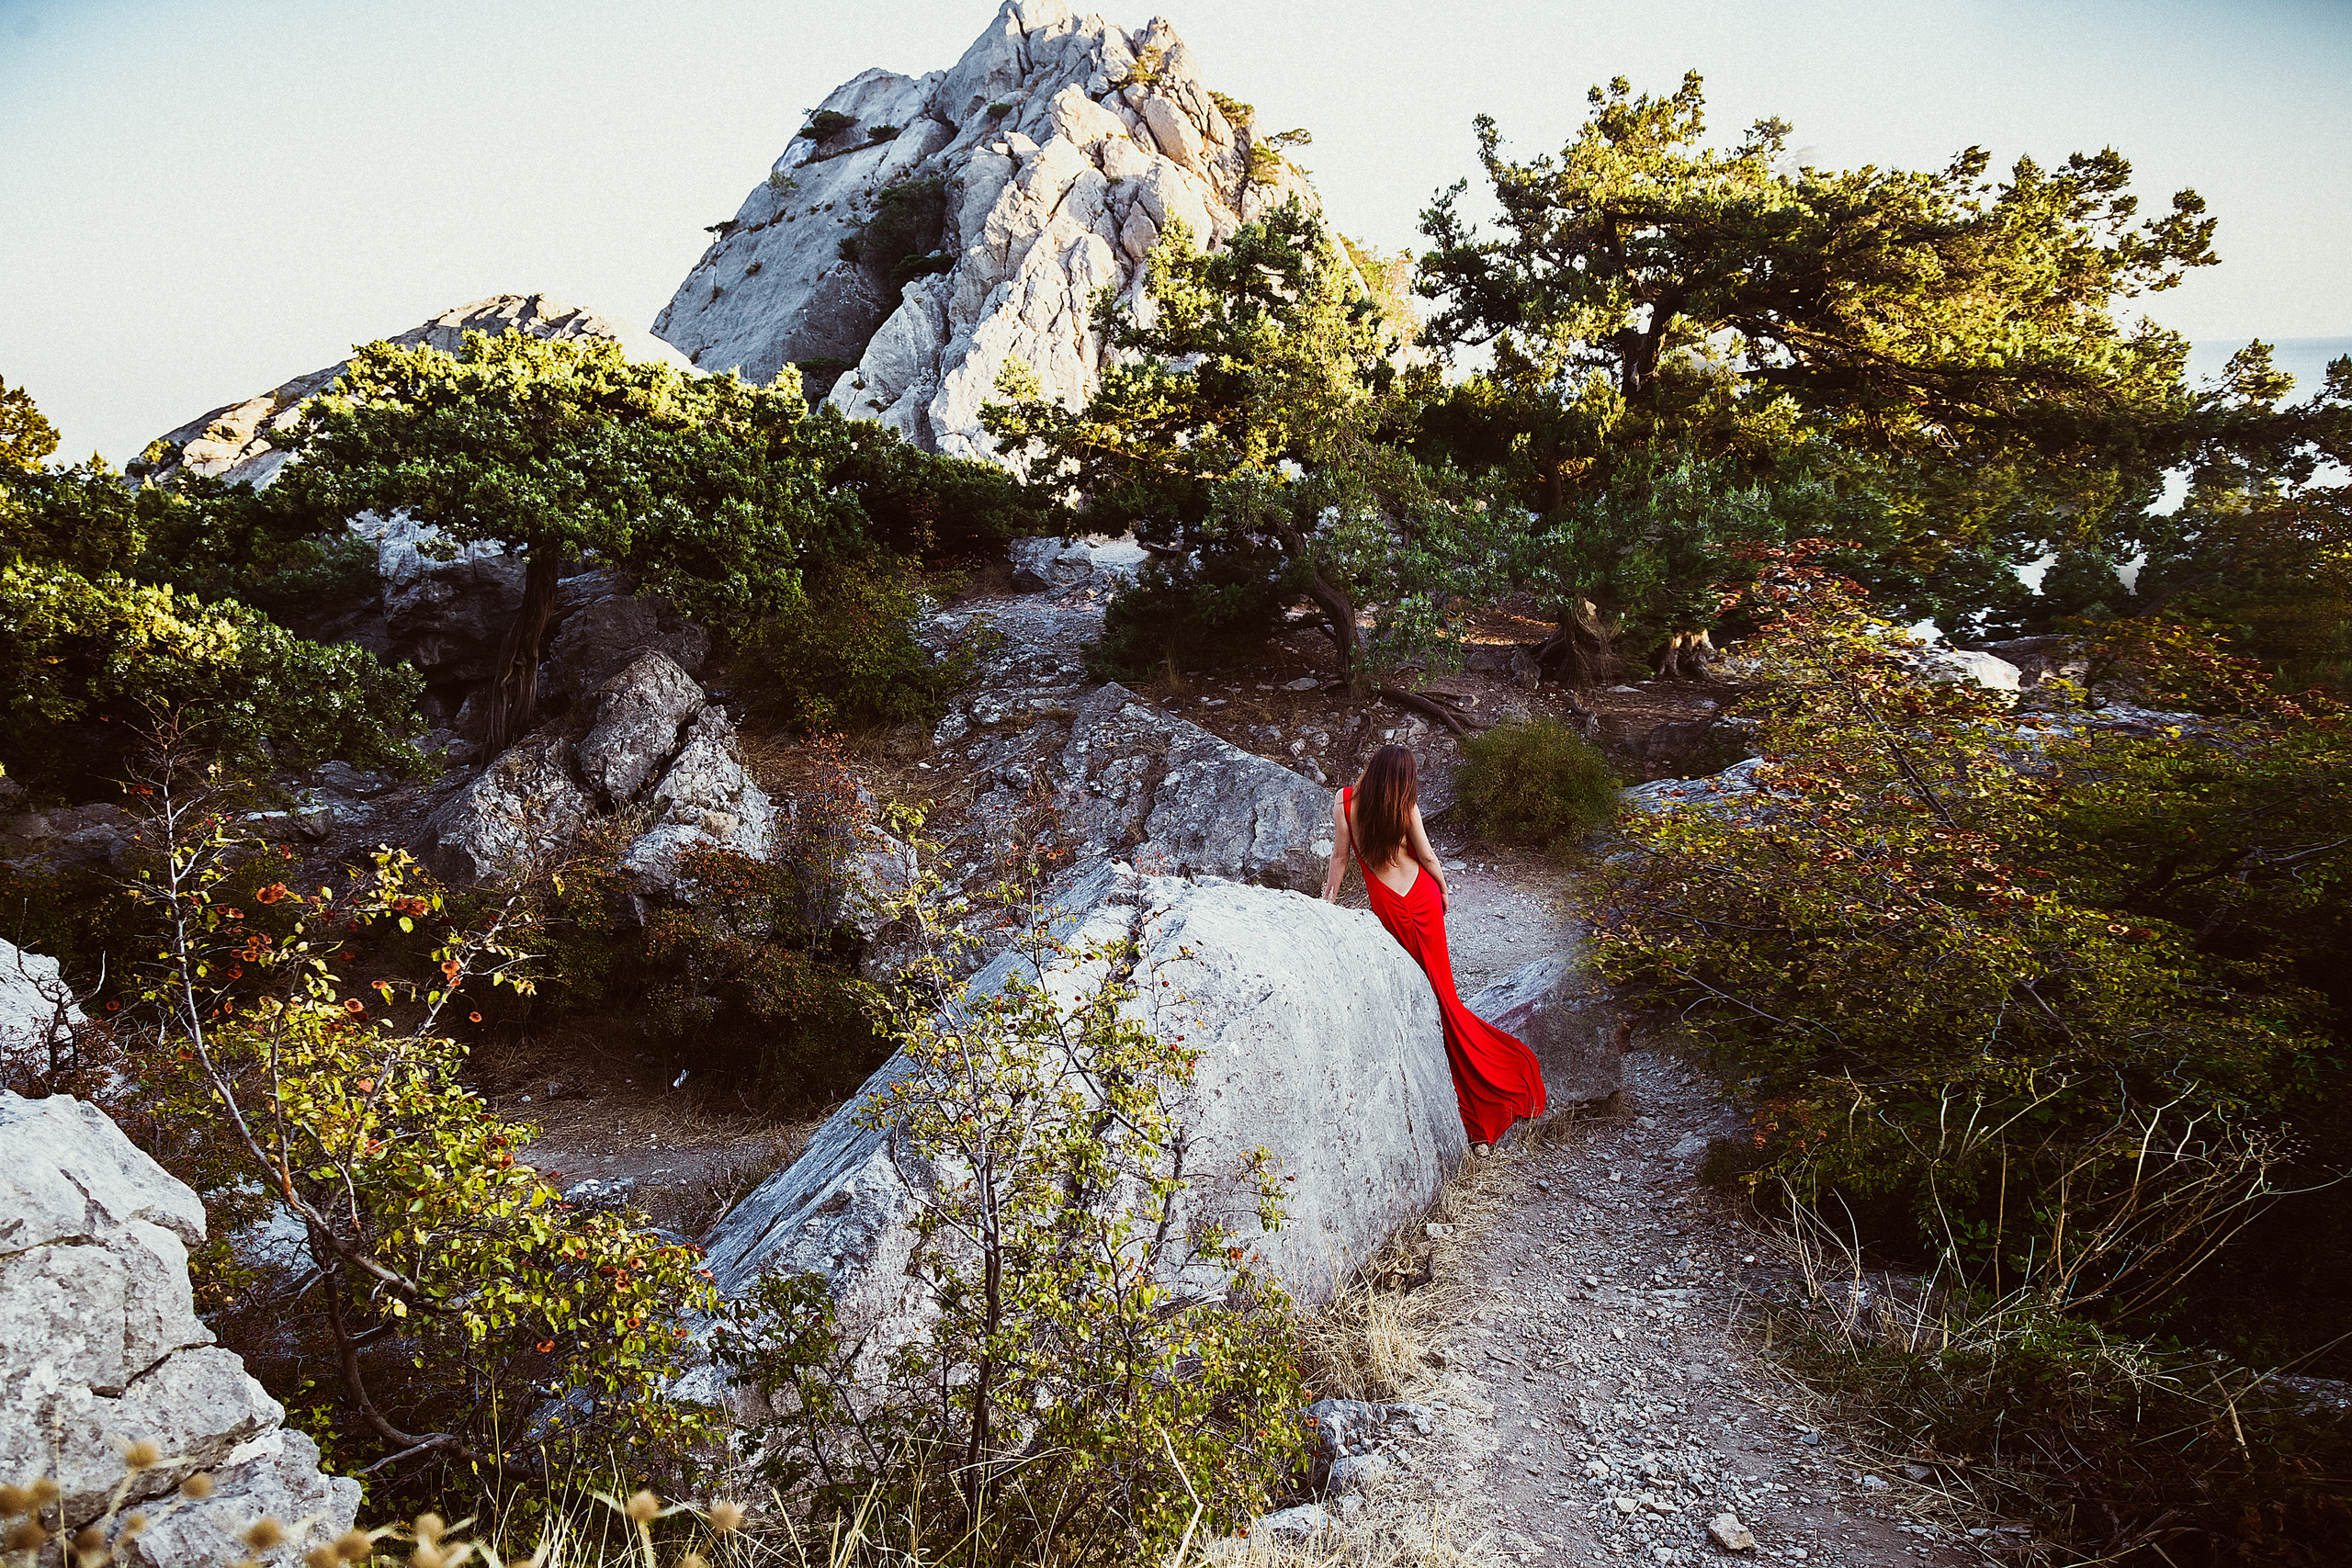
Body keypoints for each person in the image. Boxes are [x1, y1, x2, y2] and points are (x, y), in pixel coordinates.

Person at [1322, 744, 1546, 1154]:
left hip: (1389, 905)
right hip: (1420, 898)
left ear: (1372, 768)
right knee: (1444, 994)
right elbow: (1426, 855)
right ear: (1403, 781)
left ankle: (1447, 1071)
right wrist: (1442, 890)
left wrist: (1326, 905)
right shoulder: (1404, 805)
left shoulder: (1345, 802)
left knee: (1424, 994)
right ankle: (1479, 1082)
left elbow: (1339, 858)